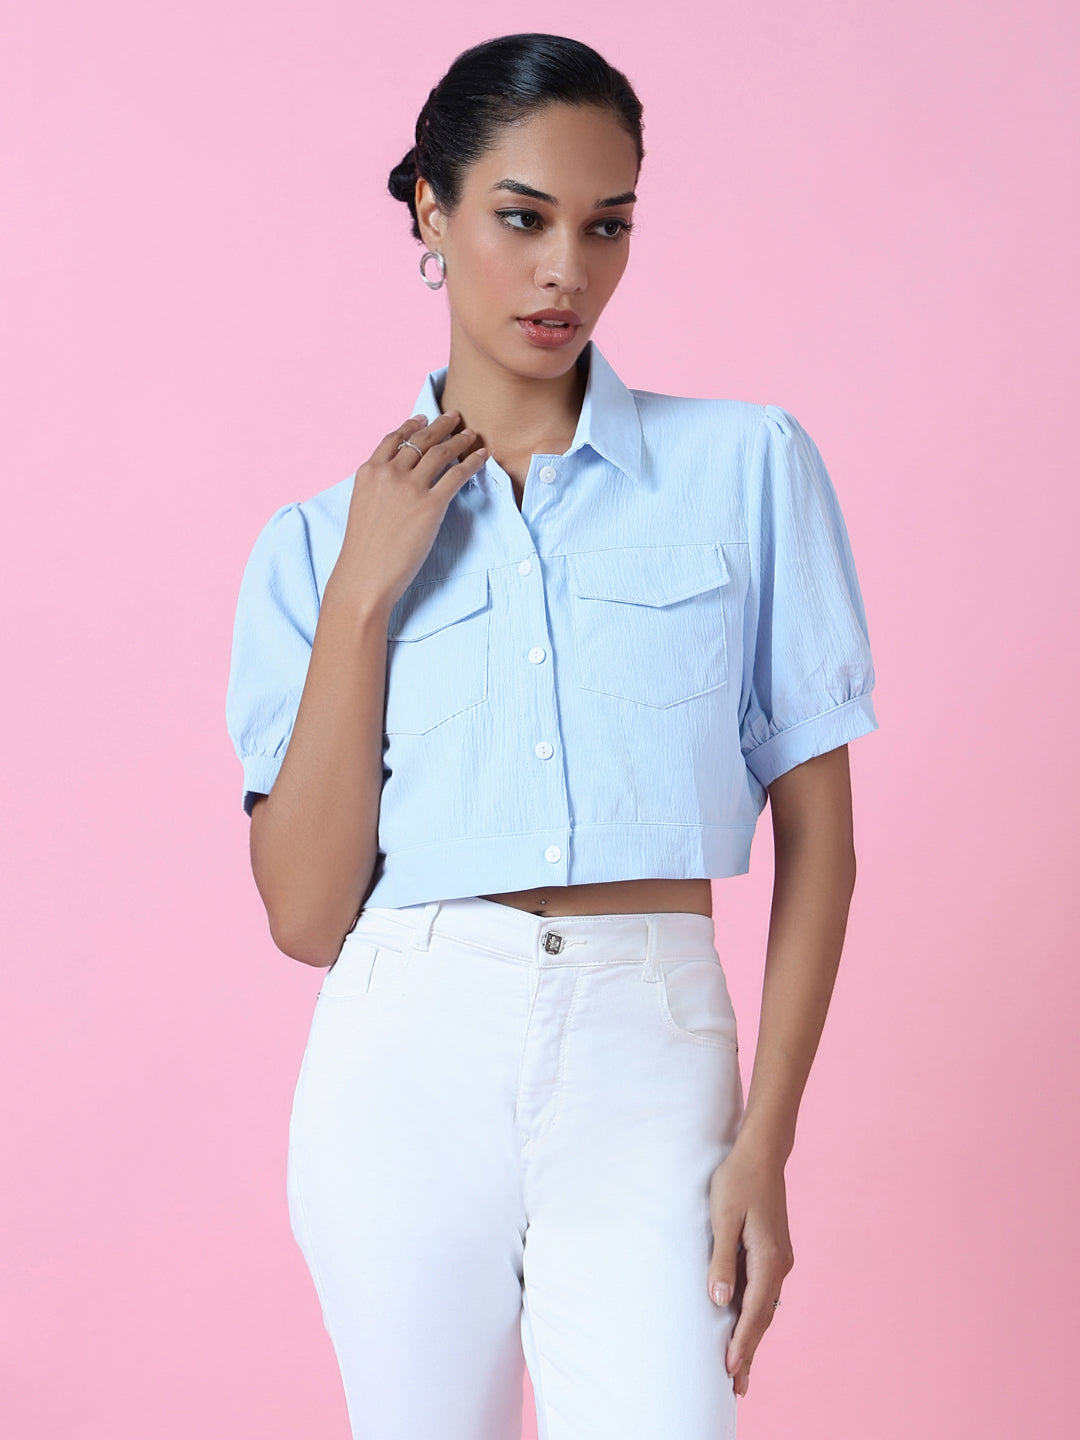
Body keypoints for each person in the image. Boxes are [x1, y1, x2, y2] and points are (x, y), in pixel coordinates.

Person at [225, 31, 878, 1440]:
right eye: (522, 219)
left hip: (652, 1045)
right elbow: (304, 913)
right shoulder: (314, 545)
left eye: (607, 226)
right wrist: (364, 597)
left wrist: (765, 1140)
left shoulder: (747, 467)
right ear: (432, 210)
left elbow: (821, 840)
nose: (566, 271)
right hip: (404, 1056)